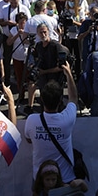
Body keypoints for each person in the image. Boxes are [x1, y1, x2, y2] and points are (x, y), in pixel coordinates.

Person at [24, 60, 85, 188]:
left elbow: (28, 139)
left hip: (40, 179)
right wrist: (68, 73)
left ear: (41, 101)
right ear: (59, 102)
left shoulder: (32, 120)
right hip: (66, 178)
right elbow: (73, 98)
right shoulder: (66, 119)